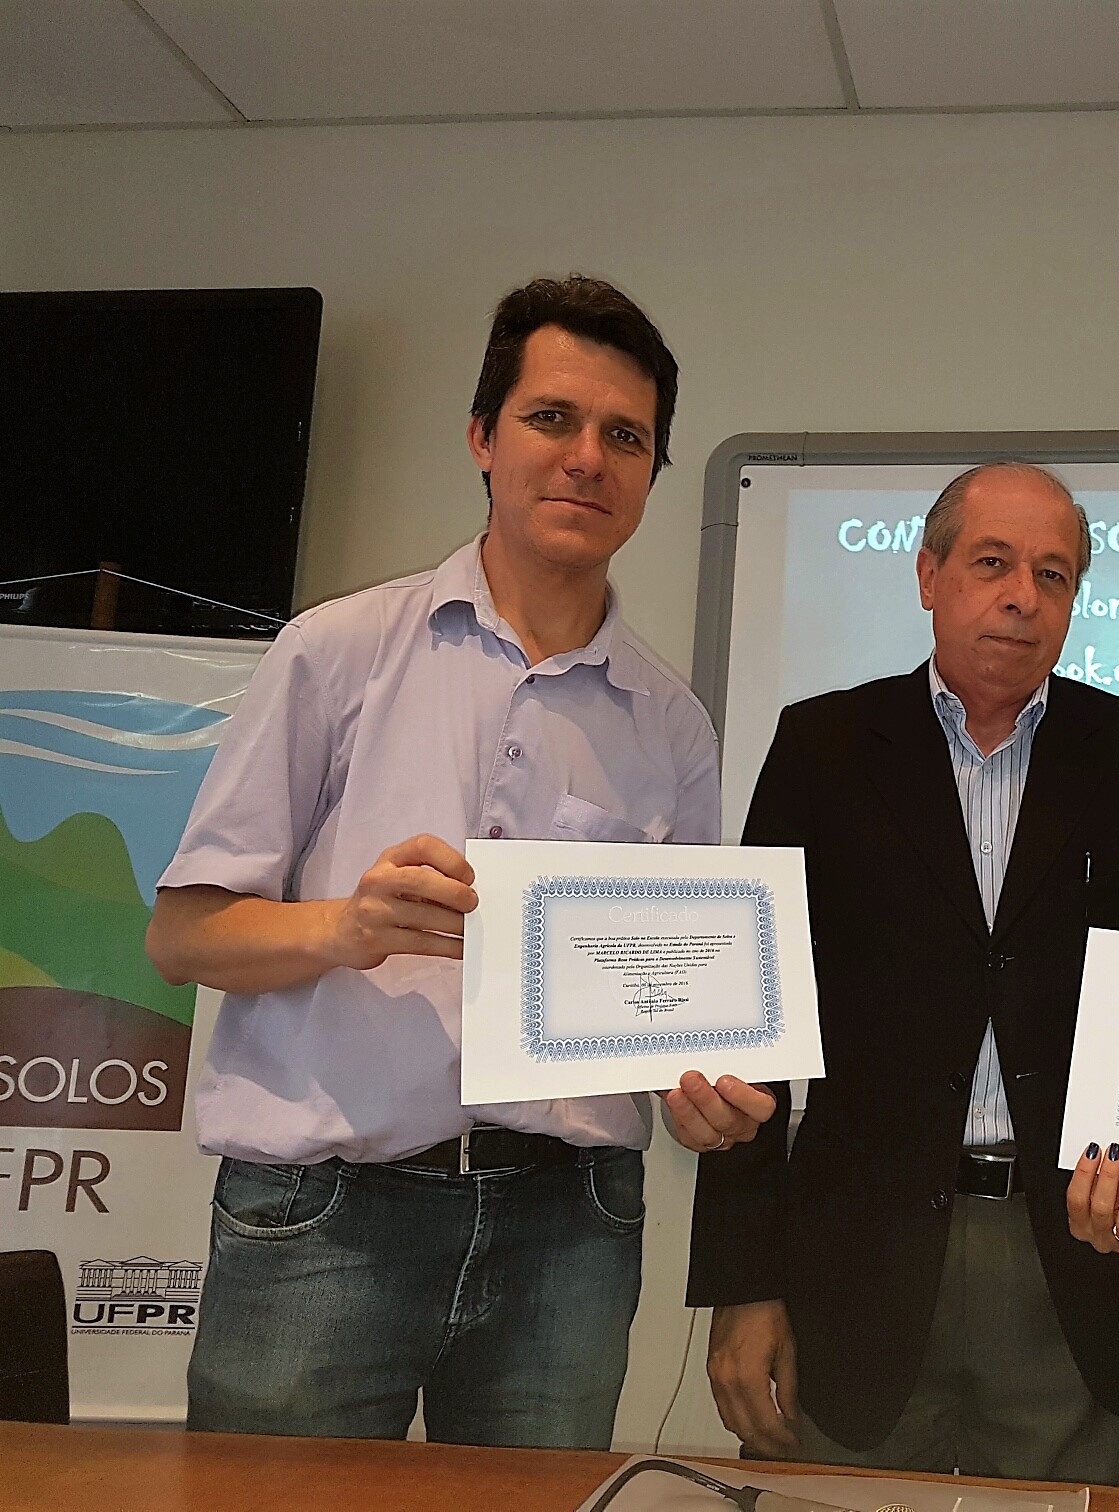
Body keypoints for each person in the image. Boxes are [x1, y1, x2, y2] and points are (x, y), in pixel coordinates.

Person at [146, 275, 774, 1448]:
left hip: (569, 1226)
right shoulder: (336, 653)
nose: (588, 457)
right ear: (483, 437)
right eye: (553, 419)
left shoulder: (673, 724)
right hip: (326, 1217)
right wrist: (346, 926)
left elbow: (679, 1014)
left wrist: (705, 1095)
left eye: (625, 437)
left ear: (648, 474)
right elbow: (182, 933)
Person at [687, 461, 1119, 1485]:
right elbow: (744, 1028)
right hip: (859, 1269)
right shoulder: (824, 746)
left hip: (1078, 1266)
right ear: (928, 575)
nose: (1024, 596)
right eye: (992, 564)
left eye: (1055, 575)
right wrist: (744, 1284)